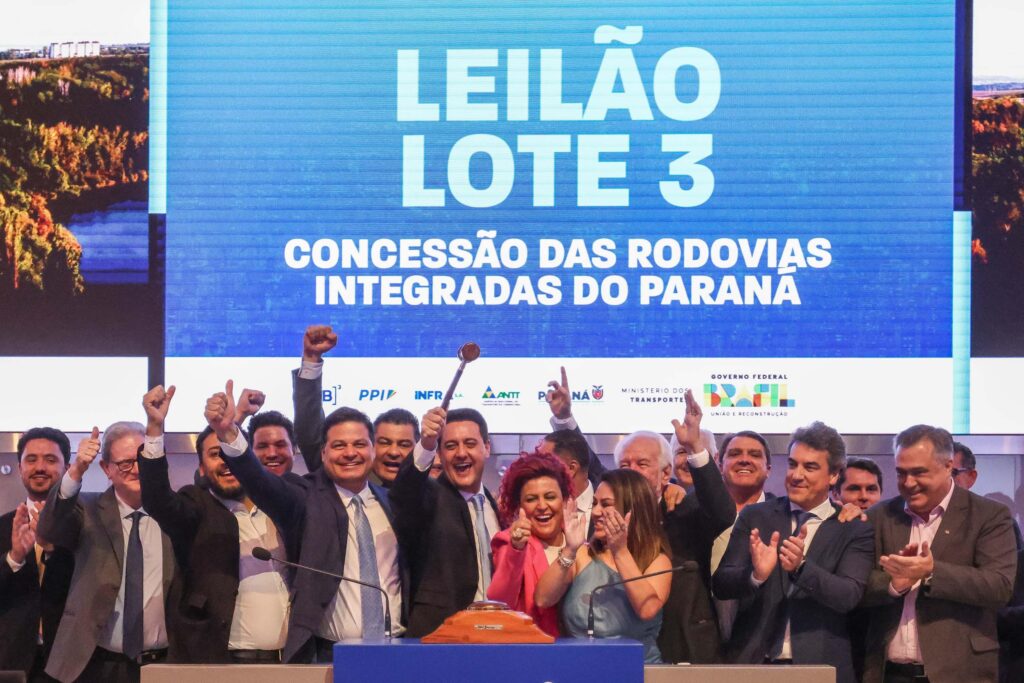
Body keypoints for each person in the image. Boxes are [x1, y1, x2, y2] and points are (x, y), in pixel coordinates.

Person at [204, 381, 405, 663]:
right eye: (339, 445)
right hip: (329, 656)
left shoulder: (394, 503)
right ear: (323, 454)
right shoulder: (304, 496)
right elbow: (260, 483)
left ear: (373, 450)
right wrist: (228, 433)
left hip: (398, 649)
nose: (350, 453)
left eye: (359, 444)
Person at [136, 385, 292, 664]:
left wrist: (233, 423)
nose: (225, 462)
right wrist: (155, 429)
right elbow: (158, 500)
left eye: (229, 452)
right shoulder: (196, 507)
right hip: (220, 663)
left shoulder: (280, 506)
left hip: (290, 663)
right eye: (214, 454)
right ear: (201, 468)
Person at [713, 421, 874, 683]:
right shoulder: (756, 516)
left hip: (821, 668)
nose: (796, 475)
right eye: (792, 464)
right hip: (754, 664)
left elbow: (848, 595)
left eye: (810, 467)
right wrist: (755, 575)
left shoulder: (852, 527)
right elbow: (721, 583)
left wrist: (801, 568)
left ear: (834, 475)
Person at [861, 424, 1017, 683]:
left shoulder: (989, 516)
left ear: (948, 467)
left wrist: (931, 572)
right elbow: (855, 585)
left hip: (961, 673)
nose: (908, 483)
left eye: (918, 472)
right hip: (888, 673)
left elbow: (999, 586)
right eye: (901, 473)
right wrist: (893, 585)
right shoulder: (880, 516)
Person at [37, 422, 176, 683]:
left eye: (143, 460)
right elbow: (49, 529)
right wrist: (77, 470)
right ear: (106, 468)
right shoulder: (86, 509)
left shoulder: (174, 513)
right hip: (96, 663)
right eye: (125, 463)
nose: (137, 469)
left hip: (163, 663)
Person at [536, 468, 672, 663]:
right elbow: (543, 599)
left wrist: (620, 552)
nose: (596, 512)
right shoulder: (583, 554)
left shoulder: (656, 560)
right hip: (581, 668)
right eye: (594, 503)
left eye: (606, 504)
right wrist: (570, 549)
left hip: (638, 670)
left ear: (632, 510)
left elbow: (647, 609)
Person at [389, 406, 502, 637]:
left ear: (487, 447)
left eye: (470, 443)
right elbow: (404, 492)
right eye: (450, 446)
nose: (461, 453)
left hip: (497, 636)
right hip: (440, 640)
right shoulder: (429, 497)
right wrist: (426, 444)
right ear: (440, 453)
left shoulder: (496, 506)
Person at [292, 324, 419, 485]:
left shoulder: (432, 493)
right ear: (371, 446)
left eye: (404, 444)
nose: (393, 452)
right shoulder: (343, 476)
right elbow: (309, 431)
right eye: (384, 442)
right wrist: (311, 359)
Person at [0, 427, 75, 681]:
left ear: (67, 468)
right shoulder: (3, 527)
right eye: (31, 459)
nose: (40, 467)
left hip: (71, 663)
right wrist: (14, 558)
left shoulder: (86, 526)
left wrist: (50, 547)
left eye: (50, 460)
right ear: (20, 467)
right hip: (12, 663)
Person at [487, 450, 575, 637]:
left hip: (580, 649)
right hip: (531, 647)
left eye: (550, 497)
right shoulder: (510, 542)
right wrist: (516, 549)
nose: (542, 506)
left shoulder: (579, 542)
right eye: (531, 499)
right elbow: (500, 602)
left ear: (565, 500)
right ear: (519, 507)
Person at [537, 429, 596, 528]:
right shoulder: (533, 510)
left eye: (544, 463)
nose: (536, 469)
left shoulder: (611, 507)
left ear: (571, 468)